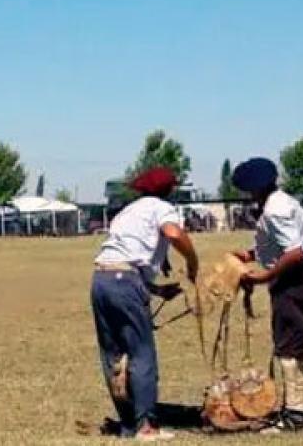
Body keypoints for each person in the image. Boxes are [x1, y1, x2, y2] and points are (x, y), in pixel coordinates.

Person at [91, 167, 199, 441]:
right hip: (125, 282)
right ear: (169, 190)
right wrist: (192, 262)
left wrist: (156, 290)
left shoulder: (128, 211)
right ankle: (146, 427)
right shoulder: (161, 207)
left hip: (101, 280)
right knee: (141, 354)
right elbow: (173, 234)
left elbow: (125, 257)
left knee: (114, 355)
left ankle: (128, 424)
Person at [231, 157, 303, 432]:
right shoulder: (282, 202)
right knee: (293, 341)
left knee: (288, 346)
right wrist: (250, 254)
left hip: (293, 280)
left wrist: (265, 275)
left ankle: (294, 413)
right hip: (300, 277)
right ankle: (298, 406)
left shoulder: (274, 211)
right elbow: (281, 243)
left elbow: (294, 252)